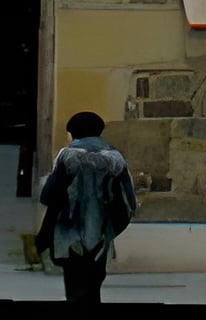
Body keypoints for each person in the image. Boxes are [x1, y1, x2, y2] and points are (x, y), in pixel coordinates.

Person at [35, 112, 138, 307]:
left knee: (75, 291)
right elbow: (128, 203)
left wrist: (44, 236)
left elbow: (50, 197)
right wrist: (108, 231)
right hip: (99, 239)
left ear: (72, 133)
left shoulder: (67, 157)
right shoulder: (116, 159)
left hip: (70, 237)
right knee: (93, 290)